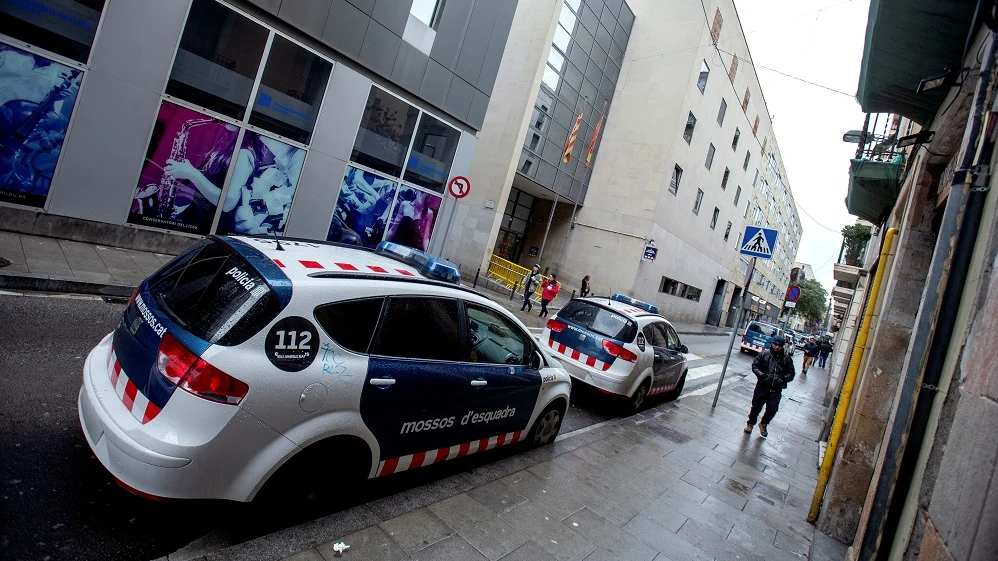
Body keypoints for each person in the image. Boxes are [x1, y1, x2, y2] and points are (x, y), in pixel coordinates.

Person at [745, 335, 796, 438]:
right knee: (756, 406)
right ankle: (750, 424)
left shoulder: (786, 359)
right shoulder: (764, 354)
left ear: (782, 346)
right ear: (772, 344)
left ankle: (763, 424)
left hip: (776, 389)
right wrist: (762, 375)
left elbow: (791, 373)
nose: (777, 347)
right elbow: (755, 366)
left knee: (772, 409)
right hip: (762, 386)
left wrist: (782, 379)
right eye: (775, 344)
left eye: (779, 345)